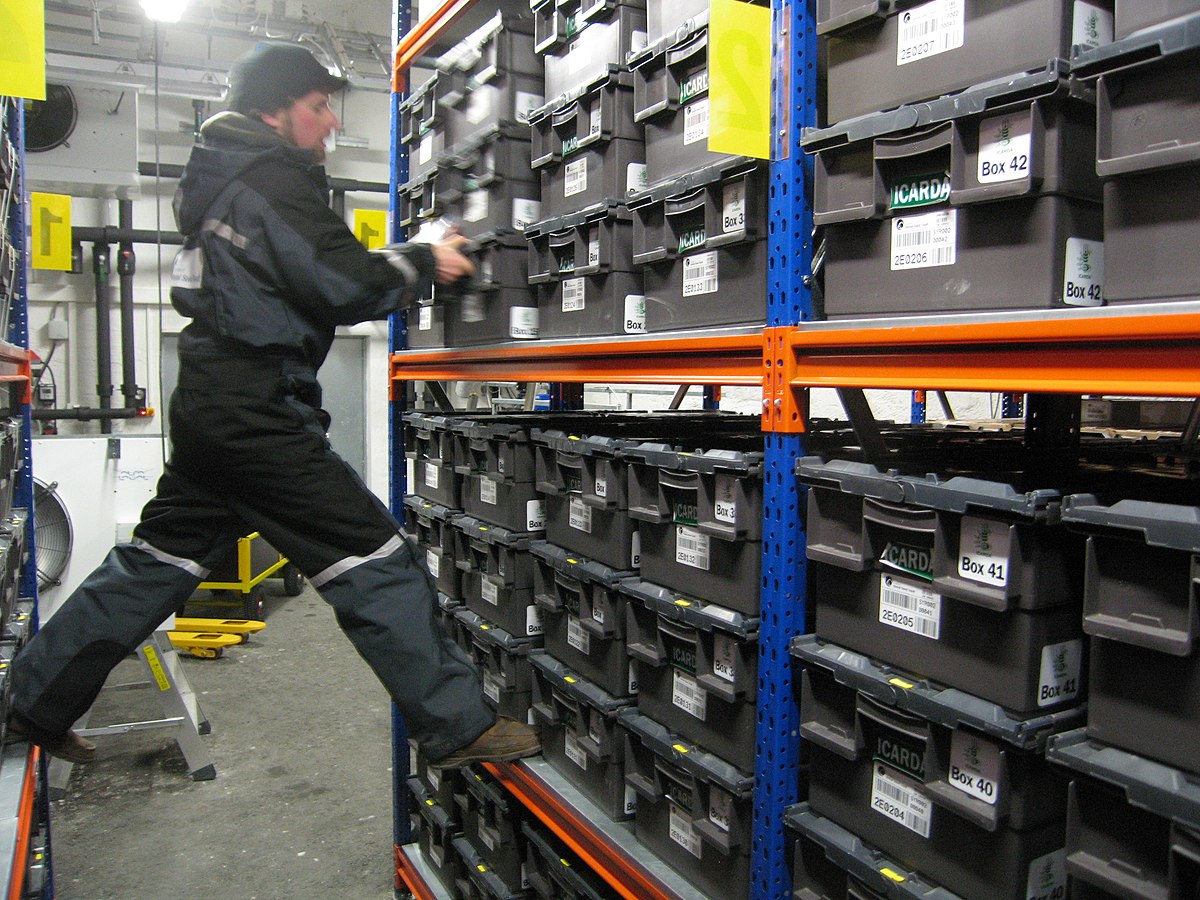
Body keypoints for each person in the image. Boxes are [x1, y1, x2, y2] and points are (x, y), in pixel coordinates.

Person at [7, 43, 539, 769]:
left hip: (211, 406)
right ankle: (457, 723)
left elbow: (311, 270)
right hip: (258, 412)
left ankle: (33, 699)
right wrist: (425, 259)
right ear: (272, 111)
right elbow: (342, 282)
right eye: (318, 107)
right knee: (374, 556)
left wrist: (406, 255)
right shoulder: (268, 181)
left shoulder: (222, 178)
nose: (330, 124)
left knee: (155, 562)